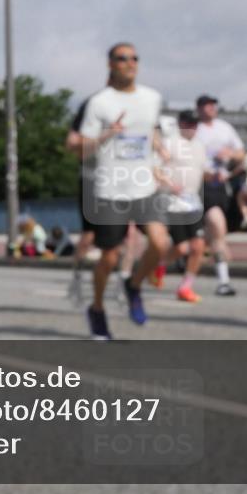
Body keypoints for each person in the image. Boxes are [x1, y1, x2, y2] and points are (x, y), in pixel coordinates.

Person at [78, 42, 171, 340]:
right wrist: (109, 134)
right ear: (110, 64)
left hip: (144, 185)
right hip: (111, 187)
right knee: (108, 259)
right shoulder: (99, 102)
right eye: (122, 58)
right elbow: (83, 147)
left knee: (160, 243)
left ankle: (133, 286)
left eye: (134, 58)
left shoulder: (152, 98)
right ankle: (96, 309)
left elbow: (151, 131)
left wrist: (159, 154)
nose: (129, 63)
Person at [194, 94, 244, 296]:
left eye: (213, 105)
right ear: (198, 109)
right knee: (216, 225)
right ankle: (223, 280)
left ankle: (162, 263)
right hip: (199, 185)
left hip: (222, 186)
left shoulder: (225, 128)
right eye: (206, 106)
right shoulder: (193, 129)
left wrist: (230, 154)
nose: (210, 109)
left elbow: (242, 153)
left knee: (205, 238)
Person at [160, 110, 209, 303]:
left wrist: (213, 175)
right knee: (181, 249)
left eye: (196, 124)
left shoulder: (199, 145)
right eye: (189, 123)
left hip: (192, 201)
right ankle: (161, 265)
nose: (193, 128)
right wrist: (169, 185)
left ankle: (186, 287)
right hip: (172, 202)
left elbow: (201, 170)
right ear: (181, 123)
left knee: (198, 246)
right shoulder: (169, 143)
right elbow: (155, 169)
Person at [65, 92, 100, 301]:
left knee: (131, 233)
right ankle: (77, 275)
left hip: (124, 181)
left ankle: (127, 282)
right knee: (89, 235)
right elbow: (72, 146)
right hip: (93, 180)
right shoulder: (89, 112)